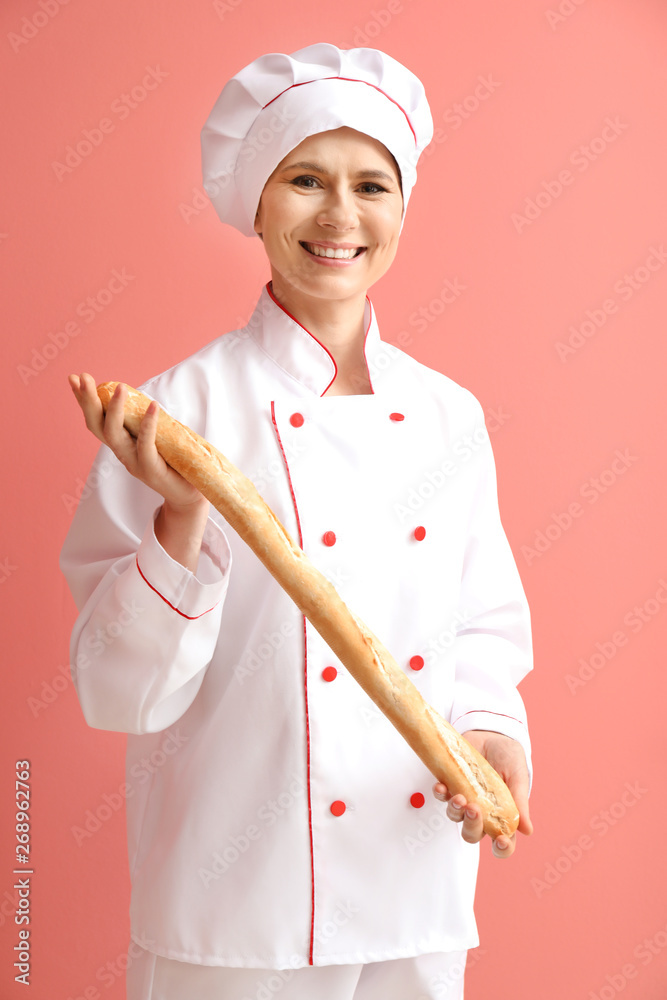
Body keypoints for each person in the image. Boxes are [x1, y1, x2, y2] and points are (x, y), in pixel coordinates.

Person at [60, 43, 533, 1000]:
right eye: (305, 179)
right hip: (237, 901)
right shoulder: (172, 413)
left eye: (371, 185)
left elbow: (482, 623)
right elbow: (117, 695)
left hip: (413, 878)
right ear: (257, 202)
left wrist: (491, 735)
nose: (339, 216)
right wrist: (180, 518)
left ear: (403, 208)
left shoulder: (450, 415)